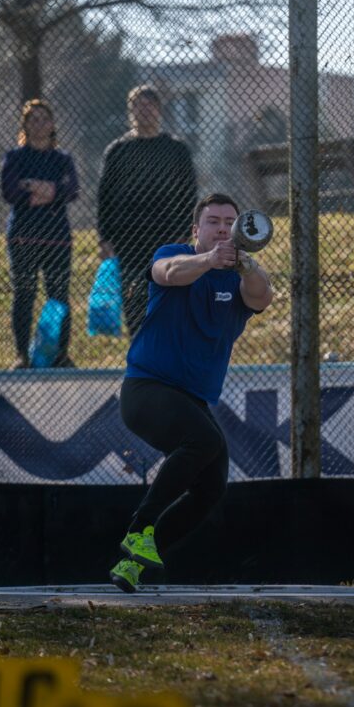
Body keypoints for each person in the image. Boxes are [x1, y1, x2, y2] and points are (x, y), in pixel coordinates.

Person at [109, 193, 273, 593]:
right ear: (196, 230)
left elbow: (262, 296)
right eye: (213, 221)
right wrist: (208, 260)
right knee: (204, 440)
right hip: (146, 389)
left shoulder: (240, 278)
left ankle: (134, 564)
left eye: (230, 222)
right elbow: (167, 272)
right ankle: (139, 530)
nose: (222, 228)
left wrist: (246, 263)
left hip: (191, 400)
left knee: (211, 487)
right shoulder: (176, 255)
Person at [97, 85, 198, 337]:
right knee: (134, 302)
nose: (145, 110)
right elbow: (104, 197)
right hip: (127, 240)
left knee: (167, 298)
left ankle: (165, 350)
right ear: (130, 111)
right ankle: (139, 349)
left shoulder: (176, 150)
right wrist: (104, 238)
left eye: (150, 105)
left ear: (159, 110)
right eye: (138, 105)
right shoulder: (118, 150)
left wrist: (184, 233)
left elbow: (189, 194)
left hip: (167, 237)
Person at [1, 99, 79, 368]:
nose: (39, 124)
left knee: (58, 295)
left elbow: (72, 190)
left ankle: (59, 354)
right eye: (33, 119)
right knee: (24, 294)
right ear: (25, 125)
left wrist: (37, 187)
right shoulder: (15, 158)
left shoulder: (62, 159)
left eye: (44, 118)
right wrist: (50, 190)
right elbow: (10, 191)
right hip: (23, 237)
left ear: (53, 124)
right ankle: (22, 355)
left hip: (56, 238)